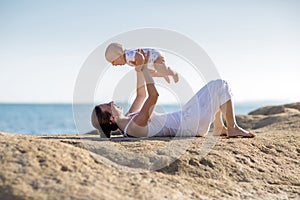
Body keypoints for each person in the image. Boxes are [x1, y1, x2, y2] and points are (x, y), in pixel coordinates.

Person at [91, 60, 255, 138]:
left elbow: (141, 94)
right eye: (108, 105)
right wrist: (146, 71)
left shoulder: (128, 119)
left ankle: (220, 127)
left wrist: (139, 69)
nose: (111, 102)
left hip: (185, 117)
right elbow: (153, 97)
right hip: (190, 124)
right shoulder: (133, 126)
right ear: (112, 118)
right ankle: (232, 127)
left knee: (214, 91)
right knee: (220, 85)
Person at [105, 42, 179, 84]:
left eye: (113, 61)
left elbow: (140, 56)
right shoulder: (127, 59)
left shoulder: (128, 55)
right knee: (151, 74)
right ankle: (164, 74)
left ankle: (173, 73)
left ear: (119, 55)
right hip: (149, 63)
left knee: (160, 69)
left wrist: (139, 67)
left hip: (155, 57)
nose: (113, 65)